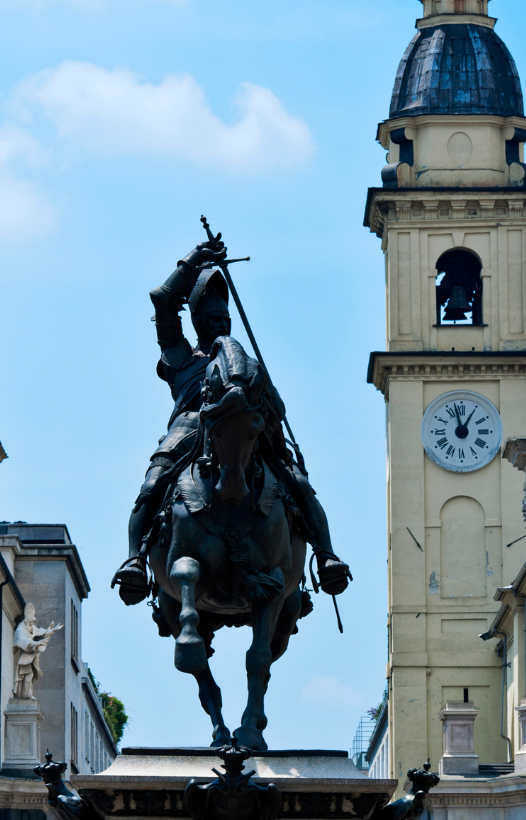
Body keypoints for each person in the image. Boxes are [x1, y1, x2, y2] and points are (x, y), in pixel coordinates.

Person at [111, 237, 350, 606]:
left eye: (226, 319)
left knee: (298, 483)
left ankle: (325, 555)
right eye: (214, 319)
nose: (222, 324)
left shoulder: (245, 364)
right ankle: (135, 560)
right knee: (153, 482)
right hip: (190, 428)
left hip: (246, 427)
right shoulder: (182, 357)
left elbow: (278, 407)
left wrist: (262, 396)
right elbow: (162, 299)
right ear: (198, 320)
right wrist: (193, 260)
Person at [11, 603, 62, 701]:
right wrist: (35, 643)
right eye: (31, 622)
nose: (32, 625)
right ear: (26, 621)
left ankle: (27, 694)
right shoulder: (20, 630)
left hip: (30, 657)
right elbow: (21, 642)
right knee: (27, 675)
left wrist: (53, 630)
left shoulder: (30, 627)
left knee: (29, 675)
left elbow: (42, 632)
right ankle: (25, 695)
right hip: (22, 658)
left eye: (33, 622)